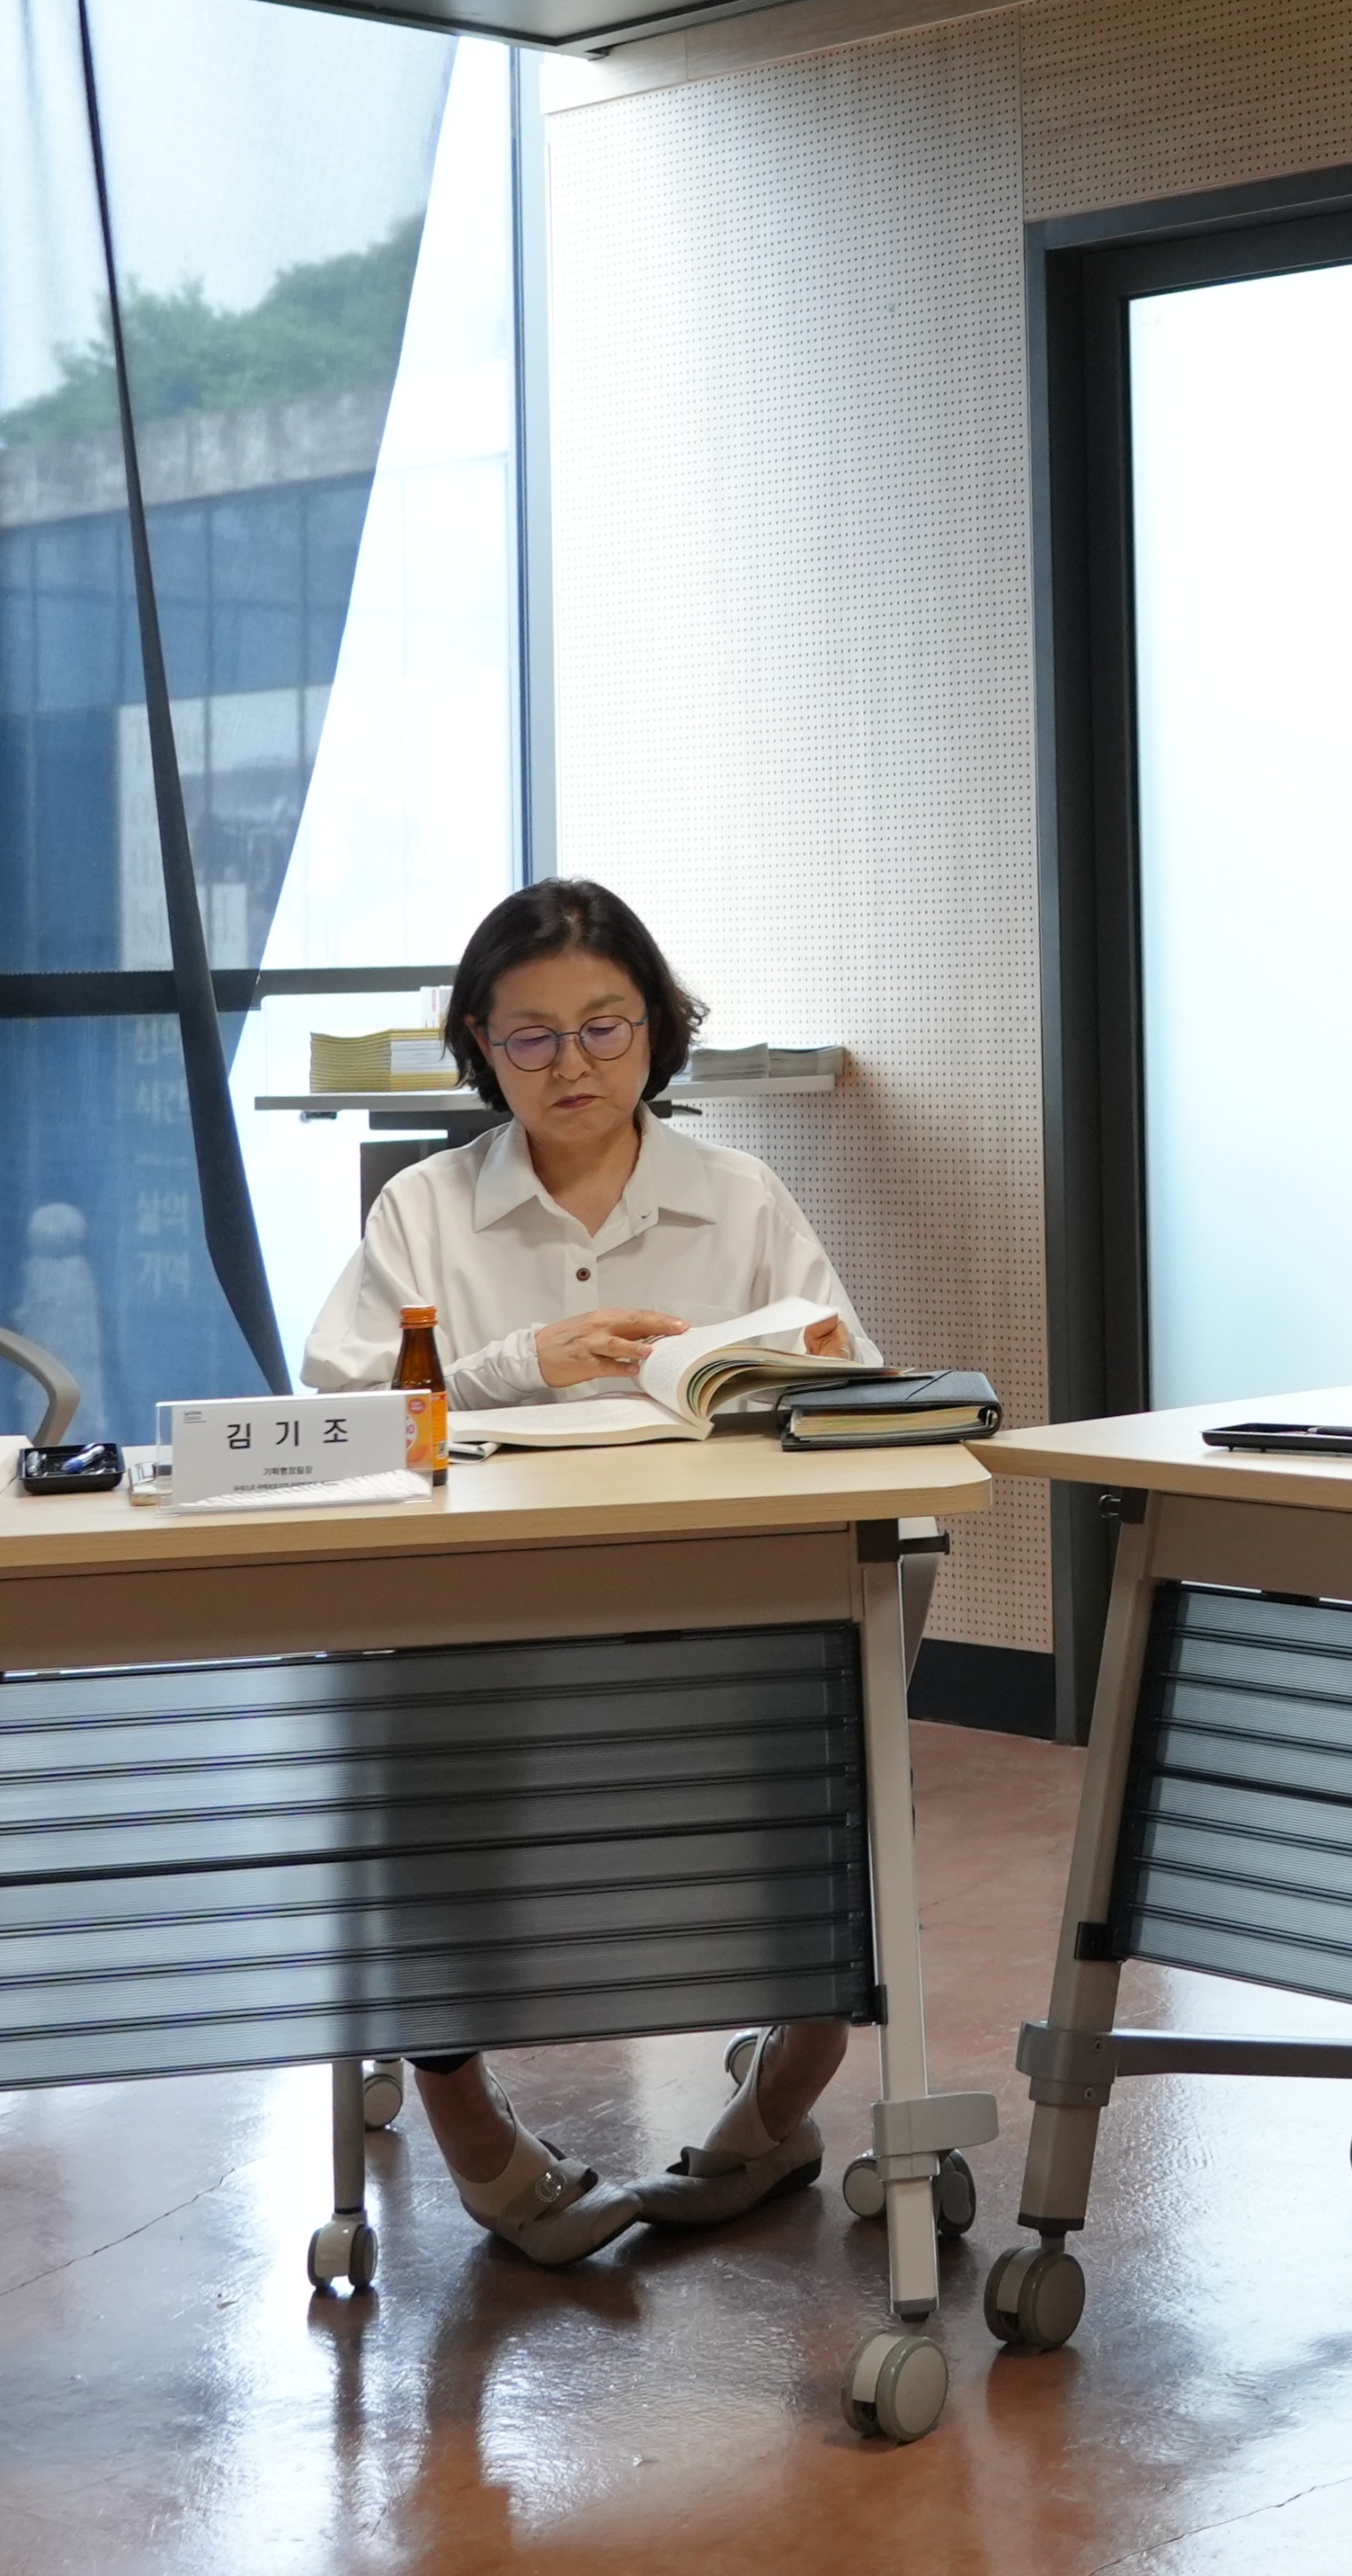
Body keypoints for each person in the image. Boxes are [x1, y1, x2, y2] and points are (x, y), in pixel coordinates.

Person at [299, 877, 867, 2267]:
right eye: (532, 1036)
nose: (573, 1065)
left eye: (606, 1027)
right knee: (422, 1795)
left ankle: (777, 2103)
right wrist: (518, 1364)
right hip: (476, 1619)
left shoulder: (737, 1193)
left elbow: (853, 1383)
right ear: (479, 1044)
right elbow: (335, 1408)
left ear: (657, 1029)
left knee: (833, 1780)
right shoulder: (426, 1207)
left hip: (716, 1606)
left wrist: (769, 1375)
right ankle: (469, 2126)